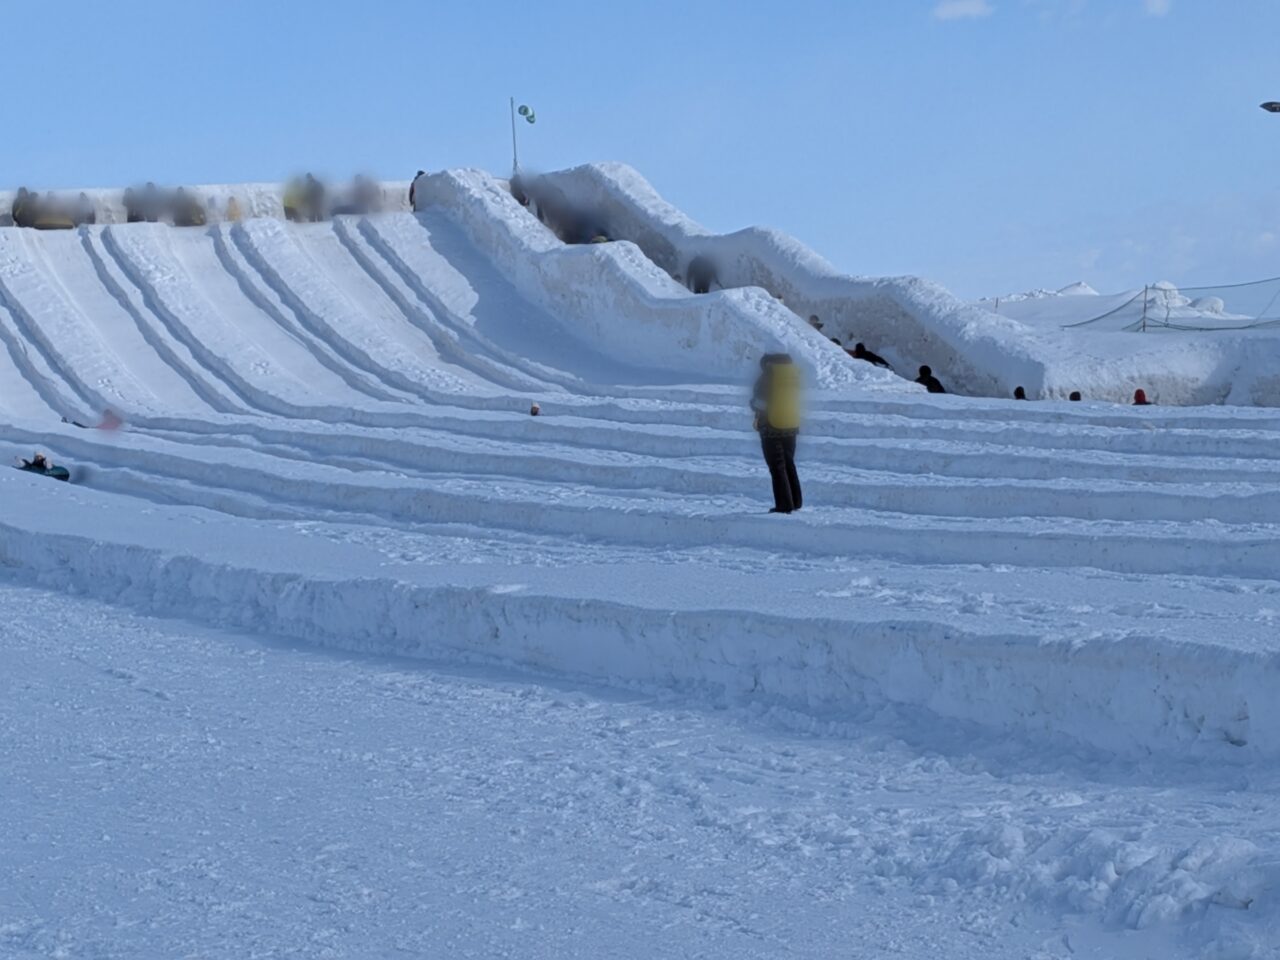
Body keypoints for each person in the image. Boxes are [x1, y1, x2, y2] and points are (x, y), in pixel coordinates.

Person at [750, 353, 803, 514]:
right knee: (789, 463)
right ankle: (795, 501)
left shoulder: (768, 376)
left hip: (771, 427)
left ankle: (784, 505)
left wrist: (752, 404)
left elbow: (760, 403)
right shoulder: (793, 375)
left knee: (777, 467)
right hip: (791, 424)